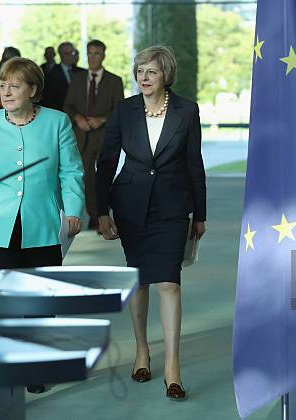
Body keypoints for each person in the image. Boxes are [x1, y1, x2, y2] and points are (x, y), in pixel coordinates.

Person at [96, 45, 206, 401]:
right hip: (130, 205)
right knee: (139, 280)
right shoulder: (124, 110)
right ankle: (142, 351)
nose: (143, 78)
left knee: (169, 283)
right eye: (140, 71)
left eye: (151, 72)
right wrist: (100, 210)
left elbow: (194, 163)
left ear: (166, 75)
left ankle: (173, 366)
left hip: (174, 206)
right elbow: (106, 161)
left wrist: (200, 214)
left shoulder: (187, 111)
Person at [0, 57, 84, 270]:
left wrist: (73, 210)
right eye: (3, 86)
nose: (6, 93)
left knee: (43, 296)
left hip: (43, 227)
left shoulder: (57, 122)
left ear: (32, 90)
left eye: (14, 86)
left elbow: (71, 171)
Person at [64, 39, 124, 231]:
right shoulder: (78, 79)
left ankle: (103, 215)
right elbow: (68, 105)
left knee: (104, 177)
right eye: (90, 53)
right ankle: (94, 216)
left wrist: (103, 119)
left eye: (97, 53)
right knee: (86, 179)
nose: (92, 57)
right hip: (82, 136)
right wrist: (78, 118)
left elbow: (120, 109)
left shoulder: (115, 81)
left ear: (104, 55)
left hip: (105, 135)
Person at [42, 42, 84, 111]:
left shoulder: (82, 72)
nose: (70, 56)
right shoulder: (51, 74)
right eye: (66, 53)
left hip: (80, 115)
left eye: (72, 53)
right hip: (60, 114)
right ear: (60, 55)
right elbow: (48, 100)